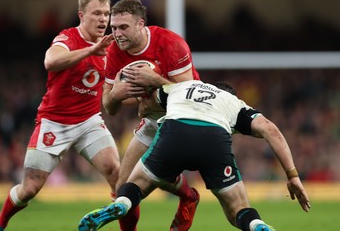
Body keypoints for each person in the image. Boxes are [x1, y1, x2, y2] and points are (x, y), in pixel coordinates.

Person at [78, 75, 311, 231]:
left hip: (175, 132)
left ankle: (123, 203)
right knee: (238, 209)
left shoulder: (182, 86)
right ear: (229, 93)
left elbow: (146, 106)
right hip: (214, 140)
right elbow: (271, 130)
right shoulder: (234, 103)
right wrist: (292, 176)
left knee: (136, 185)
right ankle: (256, 225)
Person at [0, 0, 119, 231]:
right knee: (30, 189)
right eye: (96, 13)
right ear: (81, 15)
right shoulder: (67, 38)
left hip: (89, 121)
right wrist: (90, 50)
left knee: (117, 173)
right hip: (54, 122)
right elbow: (50, 61)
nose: (103, 19)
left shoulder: (111, 46)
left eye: (106, 14)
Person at [102, 0, 201, 231]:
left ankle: (188, 196)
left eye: (123, 27)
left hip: (185, 118)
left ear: (140, 24)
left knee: (151, 175)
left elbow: (188, 97)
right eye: (113, 28)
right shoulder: (114, 52)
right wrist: (116, 95)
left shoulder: (170, 43)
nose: (117, 34)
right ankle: (188, 196)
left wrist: (153, 81)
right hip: (153, 118)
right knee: (121, 187)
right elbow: (110, 108)